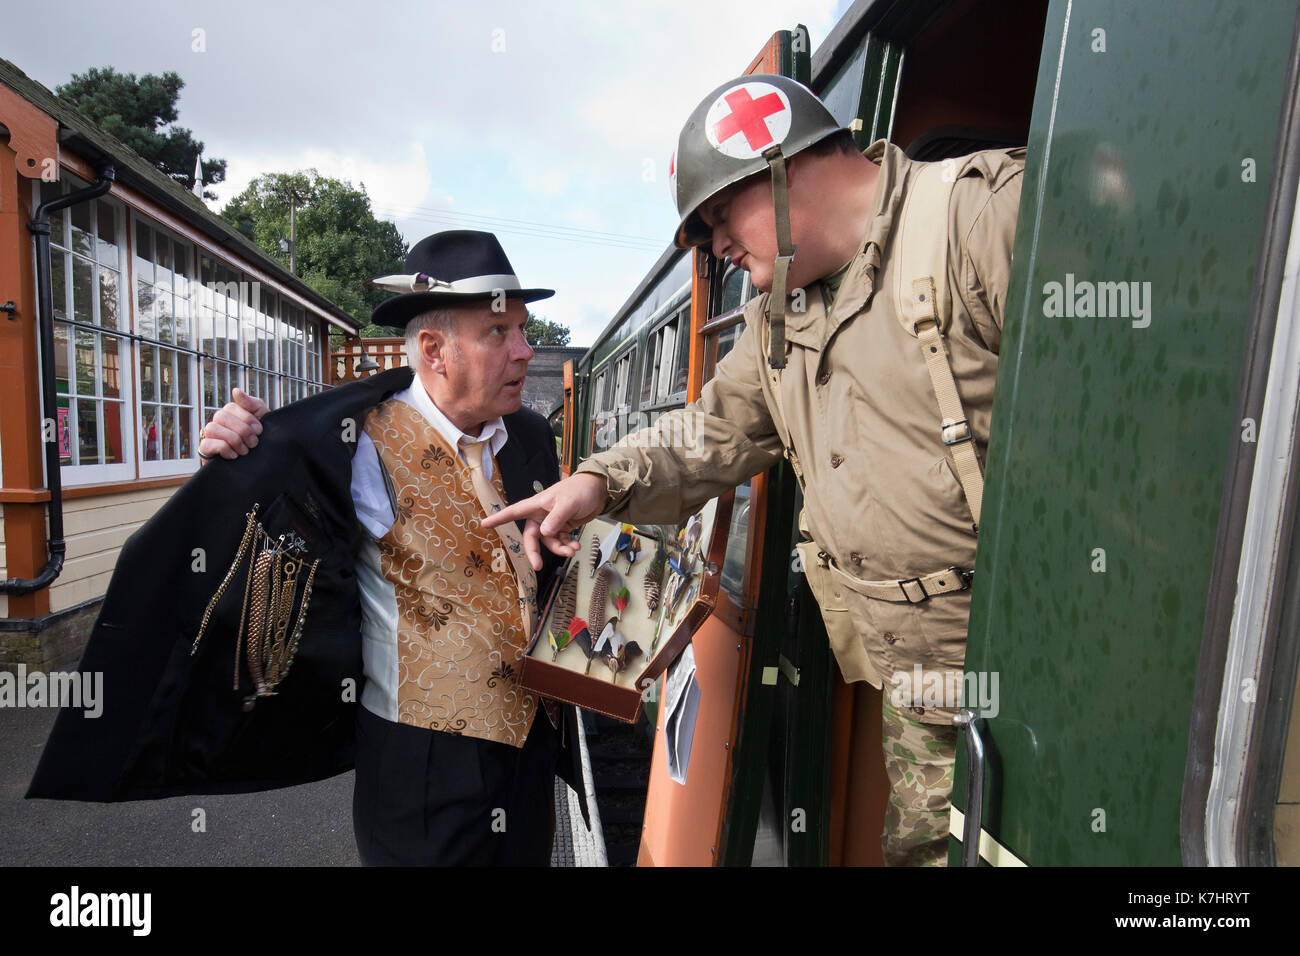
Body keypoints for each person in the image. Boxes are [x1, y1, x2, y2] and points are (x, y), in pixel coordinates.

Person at [485, 75, 1024, 866]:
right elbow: (711, 431)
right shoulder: (779, 319)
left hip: (1032, 662)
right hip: (916, 679)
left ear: (782, 167)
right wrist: (597, 481)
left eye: (718, 218)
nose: (717, 249)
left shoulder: (980, 218)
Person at [29, 230, 588, 866]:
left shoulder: (530, 435)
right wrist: (235, 458)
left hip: (531, 750)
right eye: (499, 333)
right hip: (424, 766)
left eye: (523, 328)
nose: (524, 351)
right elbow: (241, 529)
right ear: (434, 349)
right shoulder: (355, 440)